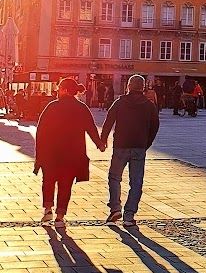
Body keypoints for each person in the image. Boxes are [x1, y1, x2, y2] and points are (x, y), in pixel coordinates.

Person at [34, 77, 104, 227]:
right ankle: (60, 215)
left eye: (59, 88)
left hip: (51, 153)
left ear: (64, 90)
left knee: (48, 180)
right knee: (66, 184)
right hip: (72, 154)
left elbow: (41, 131)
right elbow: (91, 128)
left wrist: (39, 154)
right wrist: (99, 144)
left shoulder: (52, 106)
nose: (57, 91)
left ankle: (47, 210)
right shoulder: (81, 108)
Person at [100, 74, 160, 227]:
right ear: (143, 87)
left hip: (121, 145)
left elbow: (108, 121)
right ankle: (129, 215)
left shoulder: (120, 102)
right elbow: (155, 126)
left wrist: (103, 139)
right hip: (139, 147)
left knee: (114, 177)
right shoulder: (149, 105)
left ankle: (115, 208)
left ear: (128, 86)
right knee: (136, 182)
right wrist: (146, 143)